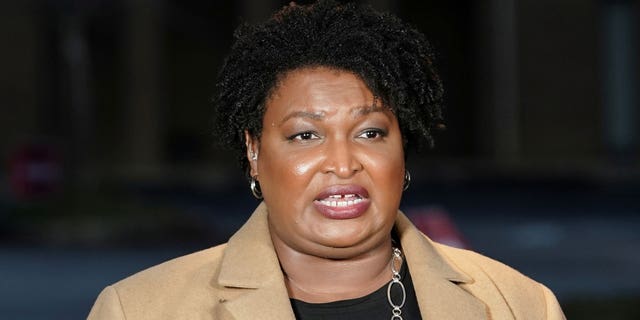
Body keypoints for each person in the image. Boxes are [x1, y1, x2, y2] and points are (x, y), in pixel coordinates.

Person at [88, 1, 565, 319]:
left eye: (371, 132)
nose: (342, 162)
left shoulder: (520, 305)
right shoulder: (139, 309)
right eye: (305, 135)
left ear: (402, 149)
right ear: (254, 151)